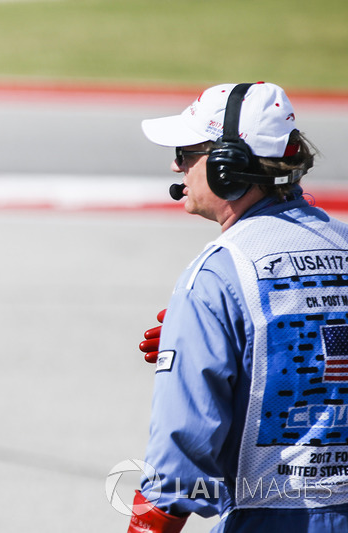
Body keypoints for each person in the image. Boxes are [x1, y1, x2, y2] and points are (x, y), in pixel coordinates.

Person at [128, 82, 348, 532]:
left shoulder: (217, 275)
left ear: (229, 167)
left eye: (187, 152)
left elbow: (177, 466)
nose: (176, 165)